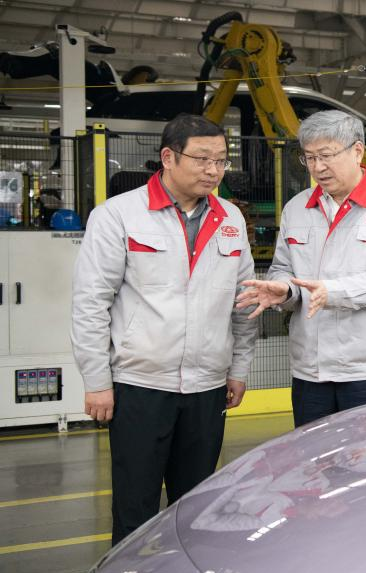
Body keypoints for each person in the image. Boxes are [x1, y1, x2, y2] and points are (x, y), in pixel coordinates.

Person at [71, 114, 257, 545]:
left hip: (207, 387)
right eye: (202, 159)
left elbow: (244, 300)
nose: (213, 170)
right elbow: (91, 303)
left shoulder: (230, 217)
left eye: (221, 161)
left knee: (194, 509)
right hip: (140, 385)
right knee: (135, 509)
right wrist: (97, 381)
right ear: (168, 157)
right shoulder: (119, 215)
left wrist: (238, 368)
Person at [237, 110, 366, 427]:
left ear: (357, 151)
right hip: (311, 369)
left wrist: (331, 292)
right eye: (309, 158)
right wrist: (285, 291)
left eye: (326, 156)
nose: (317, 167)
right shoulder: (297, 208)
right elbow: (283, 268)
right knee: (313, 456)